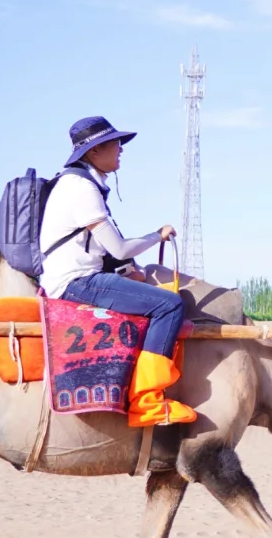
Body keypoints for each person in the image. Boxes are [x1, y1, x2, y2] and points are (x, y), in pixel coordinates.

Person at [39, 116, 196, 428]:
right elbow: (120, 249)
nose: (121, 149)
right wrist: (157, 235)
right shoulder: (82, 188)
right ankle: (147, 402)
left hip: (78, 275)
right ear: (94, 152)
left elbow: (107, 252)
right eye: (115, 144)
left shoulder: (79, 184)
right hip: (77, 281)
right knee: (169, 304)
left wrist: (127, 274)